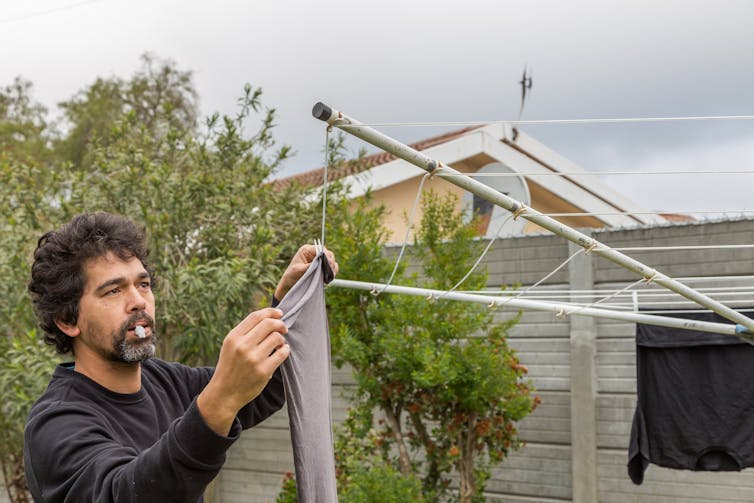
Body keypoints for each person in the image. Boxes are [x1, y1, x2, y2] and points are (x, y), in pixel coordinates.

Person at [23, 212, 337, 503]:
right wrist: (221, 397)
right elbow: (126, 492)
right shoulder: (56, 423)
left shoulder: (167, 381)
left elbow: (268, 386)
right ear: (68, 319)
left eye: (143, 284)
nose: (138, 302)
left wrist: (290, 302)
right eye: (113, 291)